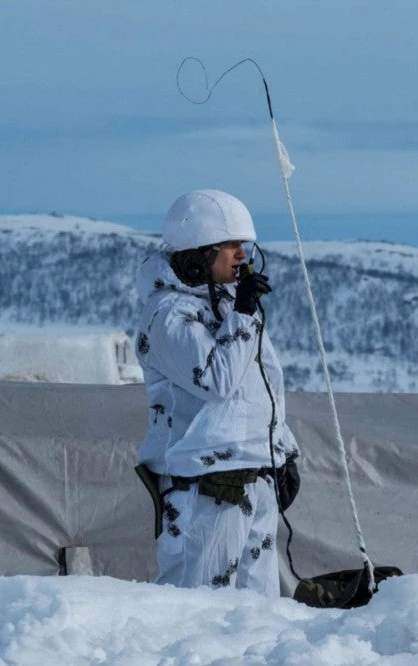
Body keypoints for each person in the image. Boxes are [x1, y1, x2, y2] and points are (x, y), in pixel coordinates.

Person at [134, 189, 300, 597]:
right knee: (201, 607)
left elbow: (264, 389)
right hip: (203, 486)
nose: (241, 253)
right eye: (229, 244)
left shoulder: (229, 309)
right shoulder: (168, 316)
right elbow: (215, 381)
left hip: (254, 476)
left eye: (244, 243)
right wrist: (243, 314)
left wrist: (283, 451)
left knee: (260, 610)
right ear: (198, 253)